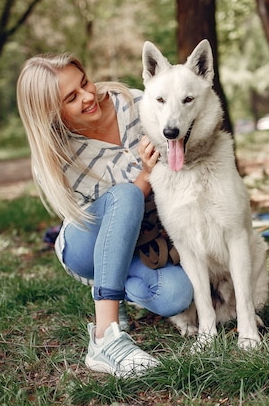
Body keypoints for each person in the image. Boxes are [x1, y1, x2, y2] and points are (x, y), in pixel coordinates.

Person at [16, 53, 194, 377]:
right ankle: (105, 338)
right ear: (51, 114)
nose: (87, 96)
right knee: (125, 194)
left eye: (84, 83)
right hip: (86, 244)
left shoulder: (139, 104)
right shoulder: (57, 157)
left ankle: (117, 291)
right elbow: (112, 213)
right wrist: (142, 178)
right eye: (71, 98)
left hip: (142, 240)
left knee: (178, 295)